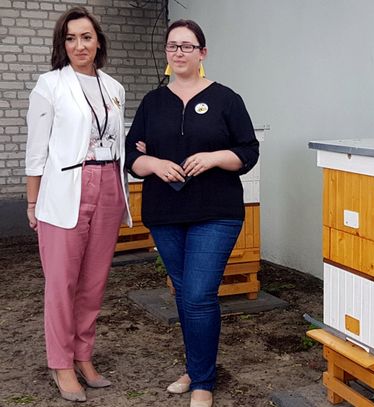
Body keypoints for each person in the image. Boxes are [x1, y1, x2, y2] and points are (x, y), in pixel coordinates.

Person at [125, 19, 259, 407]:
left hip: (216, 211)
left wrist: (216, 157)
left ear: (202, 52)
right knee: (185, 293)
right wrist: (153, 163)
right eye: (172, 46)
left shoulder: (226, 99)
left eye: (187, 46)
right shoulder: (153, 102)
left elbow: (248, 151)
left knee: (199, 294)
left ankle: (202, 382)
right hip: (165, 211)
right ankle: (197, 367)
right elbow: (132, 155)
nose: (179, 52)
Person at [25, 6, 131, 402]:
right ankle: (61, 363)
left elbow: (116, 139)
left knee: (93, 280)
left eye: (86, 37)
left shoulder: (114, 88)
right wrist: (32, 201)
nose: (79, 45)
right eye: (70, 38)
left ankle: (83, 355)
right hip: (66, 187)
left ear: (98, 41)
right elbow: (36, 151)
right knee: (61, 282)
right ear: (62, 44)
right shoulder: (49, 85)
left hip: (109, 183)